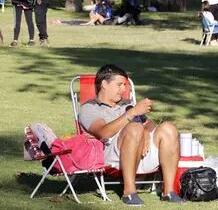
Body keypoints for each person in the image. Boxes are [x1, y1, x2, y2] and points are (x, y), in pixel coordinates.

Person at [78, 65, 183, 205]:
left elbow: (150, 124)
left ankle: (169, 192)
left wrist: (145, 133)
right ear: (104, 84)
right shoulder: (90, 108)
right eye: (119, 85)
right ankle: (129, 192)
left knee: (169, 128)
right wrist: (132, 114)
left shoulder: (126, 105)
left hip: (141, 151)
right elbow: (103, 132)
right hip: (112, 156)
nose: (123, 89)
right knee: (134, 128)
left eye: (125, 85)